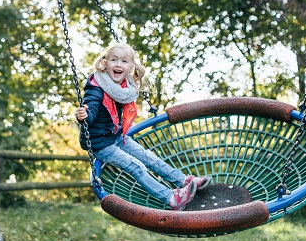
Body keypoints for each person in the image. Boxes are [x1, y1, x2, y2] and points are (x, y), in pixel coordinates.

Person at [75, 43, 210, 211]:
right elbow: (91, 109)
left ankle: (182, 180)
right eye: (113, 60)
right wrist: (84, 116)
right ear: (105, 62)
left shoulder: (124, 87)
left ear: (131, 67)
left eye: (124, 61)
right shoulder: (96, 87)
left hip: (116, 136)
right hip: (100, 143)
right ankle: (171, 199)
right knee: (135, 165)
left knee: (148, 157)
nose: (118, 64)